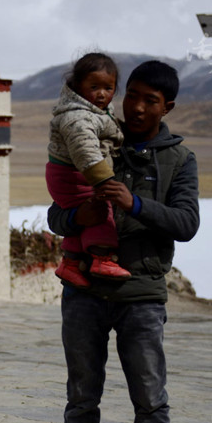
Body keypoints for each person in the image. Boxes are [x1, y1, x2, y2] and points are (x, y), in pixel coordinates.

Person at [46, 61, 199, 423]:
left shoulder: (179, 160)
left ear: (166, 107)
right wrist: (79, 216)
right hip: (84, 291)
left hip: (141, 295)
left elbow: (186, 222)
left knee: (150, 396)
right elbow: (58, 212)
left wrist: (134, 204)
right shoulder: (93, 135)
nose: (135, 106)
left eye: (149, 100)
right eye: (131, 94)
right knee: (81, 395)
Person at [46, 52, 129, 289]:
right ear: (78, 87)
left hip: (72, 174)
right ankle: (102, 259)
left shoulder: (96, 110)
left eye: (108, 87)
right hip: (73, 175)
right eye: (94, 87)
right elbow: (86, 152)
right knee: (101, 210)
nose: (102, 93)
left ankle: (71, 264)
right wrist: (105, 183)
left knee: (82, 213)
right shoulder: (78, 117)